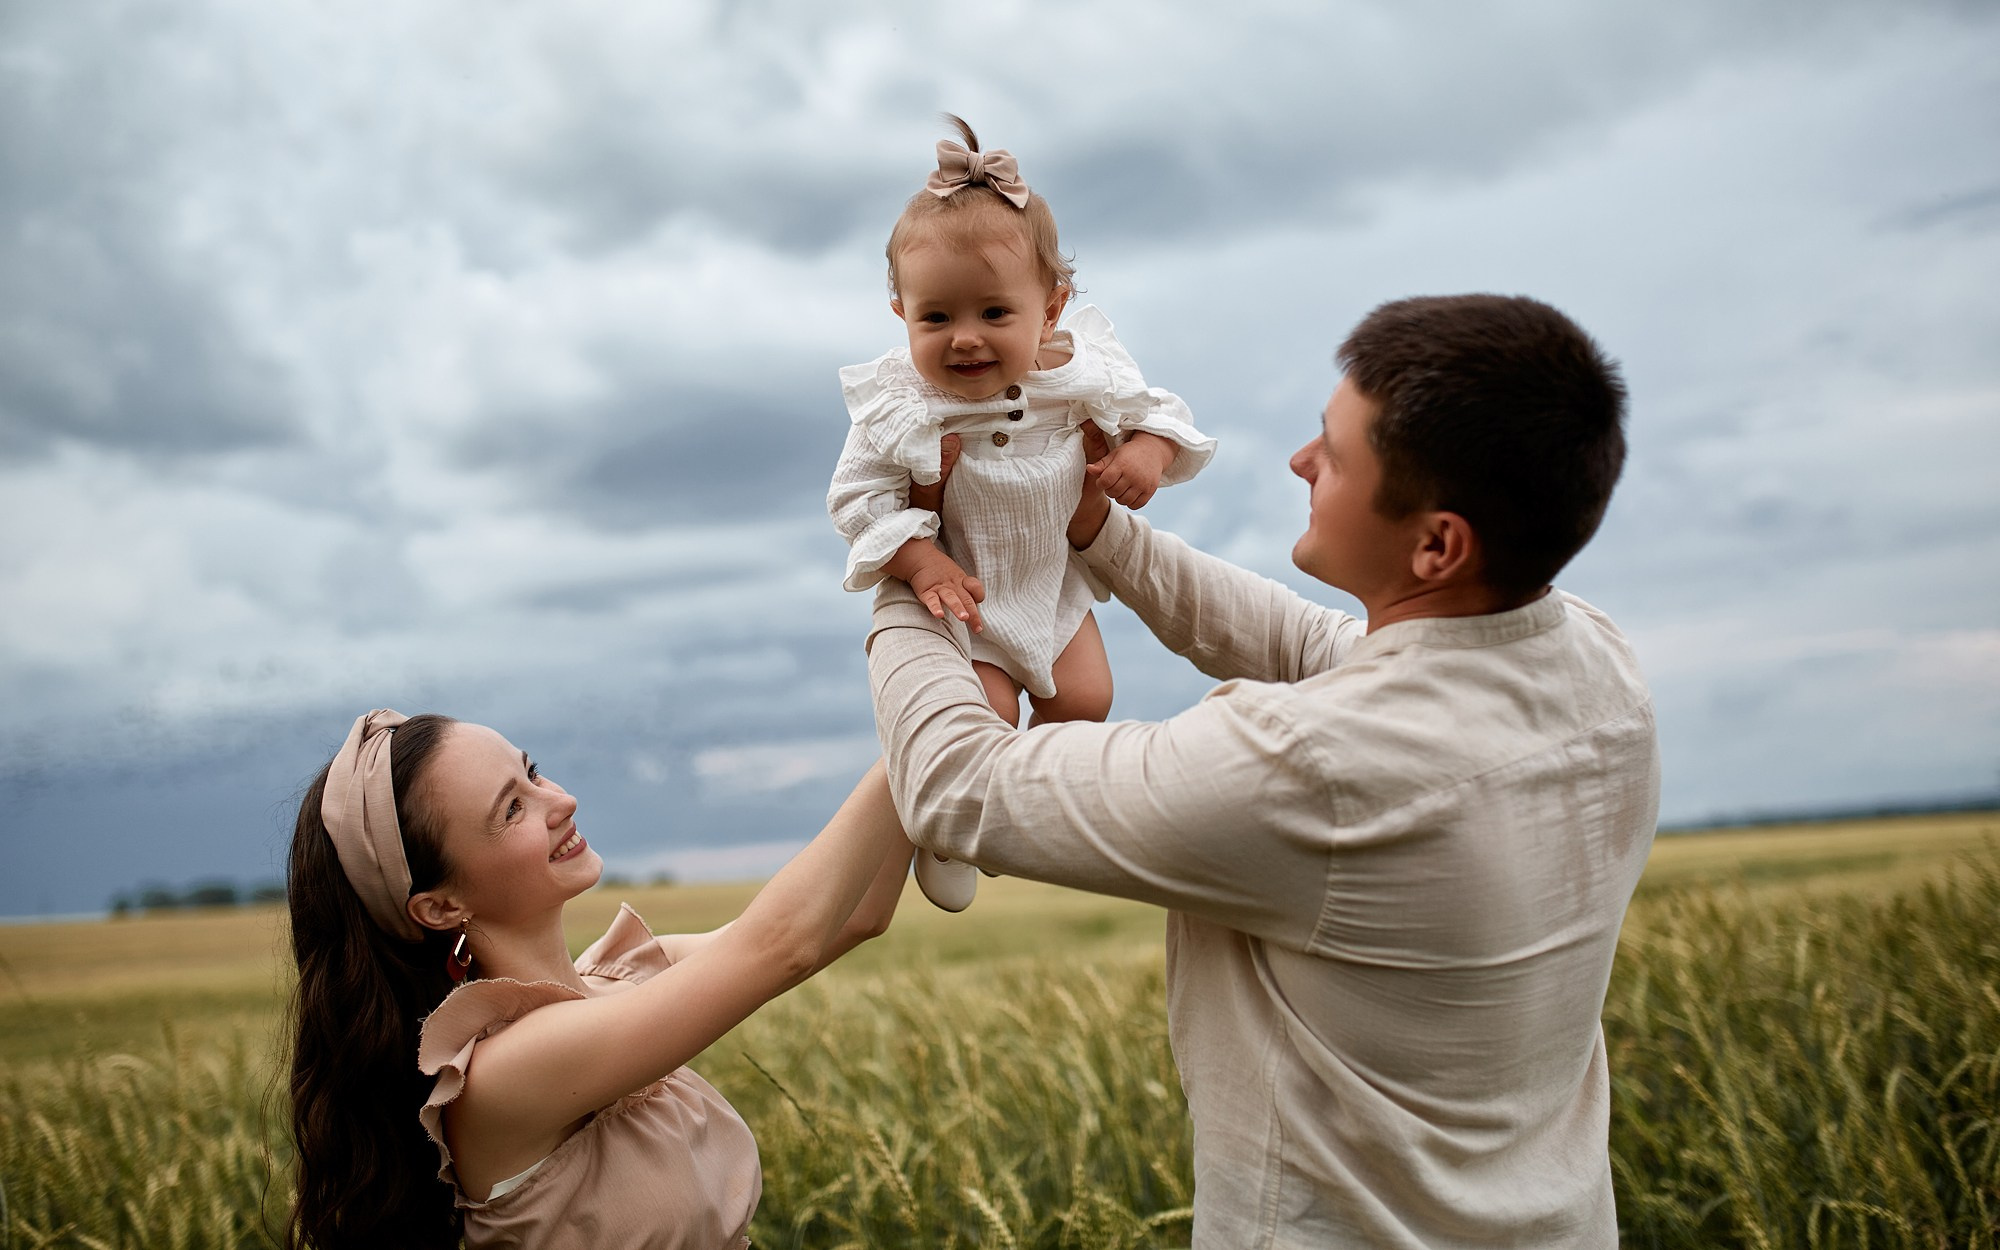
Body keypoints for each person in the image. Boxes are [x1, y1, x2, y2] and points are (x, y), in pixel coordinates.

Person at [866, 294, 1660, 1248]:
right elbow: (1306, 641)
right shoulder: (1594, 661)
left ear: (1438, 544)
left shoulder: (1312, 767)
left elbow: (957, 784)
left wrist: (908, 564)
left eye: (1336, 450)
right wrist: (1091, 528)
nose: (1301, 461)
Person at [284, 710, 912, 1250]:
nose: (561, 801)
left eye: (531, 772)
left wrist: (953, 690)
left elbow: (857, 915)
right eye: (512, 808)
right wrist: (920, 733)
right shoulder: (504, 1072)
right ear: (441, 906)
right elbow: (782, 946)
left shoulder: (621, 979)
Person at [828, 114, 1215, 910]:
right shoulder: (900, 405)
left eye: (994, 314)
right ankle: (957, 830)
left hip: (1051, 584)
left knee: (1086, 700)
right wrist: (918, 557)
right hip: (966, 596)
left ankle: (1025, 813)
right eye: (937, 318)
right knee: (986, 717)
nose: (965, 339)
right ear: (902, 314)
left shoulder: (1080, 375)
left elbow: (1162, 411)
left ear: (1052, 307)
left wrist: (1147, 451)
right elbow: (856, 499)